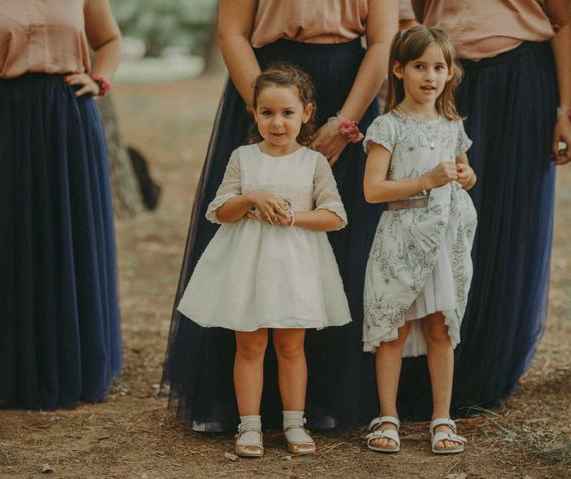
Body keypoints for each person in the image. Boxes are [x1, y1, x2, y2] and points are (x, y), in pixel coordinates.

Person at [161, 0, 398, 431]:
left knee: (336, 251)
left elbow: (382, 40)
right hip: (265, 84)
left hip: (348, 87)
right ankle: (226, 400)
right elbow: (232, 32)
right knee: (245, 244)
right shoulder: (266, 112)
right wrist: (267, 107)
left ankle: (324, 395)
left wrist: (345, 121)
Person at [404, 1, 571, 416]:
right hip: (448, 80)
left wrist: (566, 111)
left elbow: (563, 22)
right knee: (441, 219)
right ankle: (430, 360)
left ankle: (490, 362)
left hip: (520, 79)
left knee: (511, 223)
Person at [178, 64, 351, 457]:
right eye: (267, 113)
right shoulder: (243, 158)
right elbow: (219, 211)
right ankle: (250, 426)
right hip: (248, 268)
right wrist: (251, 197)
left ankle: (294, 423)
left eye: (287, 113)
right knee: (250, 346)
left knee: (292, 347)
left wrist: (293, 217)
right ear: (254, 113)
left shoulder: (313, 163)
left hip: (296, 268)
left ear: (307, 113)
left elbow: (336, 215)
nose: (277, 122)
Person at [0, 0, 122, 409]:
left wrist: (100, 78)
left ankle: (68, 363)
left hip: (66, 119)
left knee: (65, 238)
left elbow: (109, 40)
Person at [362, 27, 477, 454]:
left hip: (443, 242)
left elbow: (465, 173)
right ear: (399, 70)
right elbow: (373, 190)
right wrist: (426, 181)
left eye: (438, 67)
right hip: (401, 235)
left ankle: (441, 419)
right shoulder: (387, 126)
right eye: (419, 66)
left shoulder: (452, 126)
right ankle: (387, 416)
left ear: (450, 74)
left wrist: (466, 176)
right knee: (393, 327)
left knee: (439, 329)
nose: (430, 76)